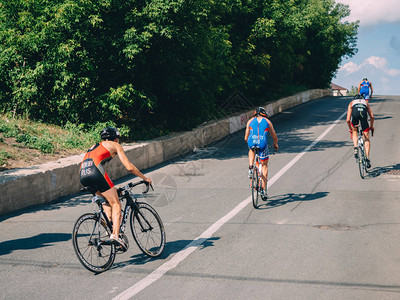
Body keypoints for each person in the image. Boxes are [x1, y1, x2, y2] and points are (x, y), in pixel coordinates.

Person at [79, 127, 151, 250]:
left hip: (83, 175)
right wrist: (145, 178)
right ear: (116, 138)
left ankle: (109, 229)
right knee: (116, 203)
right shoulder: (115, 145)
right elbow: (129, 167)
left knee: (106, 200)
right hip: (96, 173)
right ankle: (115, 236)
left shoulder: (95, 145)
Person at [244, 107, 278, 200]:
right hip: (262, 144)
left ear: (255, 114)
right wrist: (275, 144)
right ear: (264, 114)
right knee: (264, 166)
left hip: (252, 141)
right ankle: (263, 189)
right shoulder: (267, 121)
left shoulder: (250, 121)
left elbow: (246, 138)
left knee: (251, 149)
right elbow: (274, 136)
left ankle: (251, 168)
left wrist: (250, 142)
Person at [346, 95, 374, 168]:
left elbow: (348, 120)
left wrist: (350, 129)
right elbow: (372, 117)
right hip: (364, 117)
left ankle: (355, 148)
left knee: (355, 132)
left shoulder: (352, 103)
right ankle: (367, 158)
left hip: (355, 116)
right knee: (367, 139)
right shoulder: (365, 102)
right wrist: (371, 126)